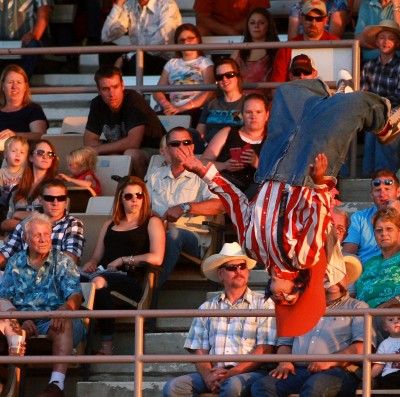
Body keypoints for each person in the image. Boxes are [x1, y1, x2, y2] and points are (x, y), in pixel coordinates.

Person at [181, 78, 400, 337]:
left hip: (270, 171)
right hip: (306, 176)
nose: (279, 296)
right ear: (298, 286)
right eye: (288, 298)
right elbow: (317, 215)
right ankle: (385, 122)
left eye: (278, 299)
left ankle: (330, 99)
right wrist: (319, 182)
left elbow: (235, 201)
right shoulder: (302, 257)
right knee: (353, 106)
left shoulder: (253, 250)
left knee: (287, 93)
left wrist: (204, 172)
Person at [163, 242, 276, 397]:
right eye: (231, 267)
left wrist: (232, 373)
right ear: (221, 274)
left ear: (248, 271)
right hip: (214, 372)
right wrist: (208, 375)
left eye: (242, 266)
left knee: (232, 387)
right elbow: (199, 351)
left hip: (249, 372)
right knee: (173, 388)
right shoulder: (206, 307)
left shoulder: (264, 303)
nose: (238, 271)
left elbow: (265, 350)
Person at [251, 258, 368, 397]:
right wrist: (285, 361)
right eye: (327, 273)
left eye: (338, 273)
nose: (332, 278)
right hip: (298, 370)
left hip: (339, 370)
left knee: (315, 388)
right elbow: (284, 344)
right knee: (262, 386)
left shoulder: (358, 307)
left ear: (347, 279)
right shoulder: (298, 305)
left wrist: (330, 361)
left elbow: (361, 347)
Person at [0, 213, 85, 397]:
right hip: (21, 320)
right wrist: (19, 319)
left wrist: (65, 309)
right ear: (26, 238)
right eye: (37, 235)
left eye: (47, 234)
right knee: (4, 321)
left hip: (53, 320)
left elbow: (76, 294)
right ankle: (6, 384)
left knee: (64, 321)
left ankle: (56, 385)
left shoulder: (62, 260)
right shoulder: (15, 261)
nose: (43, 239)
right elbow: (4, 297)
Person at [81, 176, 165, 355]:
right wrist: (91, 263)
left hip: (131, 279)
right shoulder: (109, 224)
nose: (134, 199)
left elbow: (157, 258)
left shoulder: (151, 222)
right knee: (76, 280)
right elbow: (96, 256)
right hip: (103, 273)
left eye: (139, 195)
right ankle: (77, 341)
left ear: (145, 198)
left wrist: (123, 260)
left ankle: (106, 344)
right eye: (128, 196)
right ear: (120, 199)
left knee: (98, 283)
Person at [145, 127, 224, 287]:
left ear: (193, 147)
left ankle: (148, 293)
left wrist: (185, 207)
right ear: (166, 149)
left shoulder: (205, 172)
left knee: (173, 234)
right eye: (175, 144)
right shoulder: (154, 175)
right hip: (157, 231)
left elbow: (220, 204)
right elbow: (142, 206)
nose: (182, 147)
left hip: (192, 237)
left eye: (186, 142)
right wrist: (151, 215)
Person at [84, 66, 166, 178]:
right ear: (99, 91)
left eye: (115, 87)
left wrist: (97, 149)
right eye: (105, 89)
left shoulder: (133, 100)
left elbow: (133, 142)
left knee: (131, 154)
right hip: (124, 150)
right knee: (112, 155)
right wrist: (100, 149)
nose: (111, 94)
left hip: (156, 151)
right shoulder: (97, 104)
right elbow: (88, 142)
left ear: (123, 86)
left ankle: (144, 191)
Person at [359, 20, 400, 174]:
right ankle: (368, 176)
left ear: (396, 43)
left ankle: (384, 174)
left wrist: (381, 106)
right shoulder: (369, 66)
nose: (386, 41)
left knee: (386, 130)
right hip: (372, 113)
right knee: (371, 131)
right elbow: (364, 93)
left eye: (390, 38)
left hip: (394, 112)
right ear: (376, 42)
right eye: (382, 37)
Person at [0, 179, 85, 269]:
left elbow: (71, 259)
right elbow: (6, 253)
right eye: (49, 198)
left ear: (66, 201)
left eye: (61, 198)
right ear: (40, 200)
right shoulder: (26, 223)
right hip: (23, 277)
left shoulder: (73, 223)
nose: (55, 203)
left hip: (56, 278)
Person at [202, 94, 268, 197]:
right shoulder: (227, 132)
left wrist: (256, 163)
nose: (253, 116)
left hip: (258, 195)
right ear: (242, 114)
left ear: (267, 115)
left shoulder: (273, 140)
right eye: (248, 112)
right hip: (224, 190)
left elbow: (280, 174)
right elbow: (203, 162)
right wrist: (224, 165)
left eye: (258, 112)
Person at [153, 23, 215, 128]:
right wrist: (165, 104)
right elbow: (158, 90)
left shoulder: (205, 62)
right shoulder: (171, 63)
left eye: (190, 38)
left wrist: (183, 108)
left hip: (195, 109)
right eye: (182, 40)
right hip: (172, 109)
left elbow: (209, 92)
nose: (186, 42)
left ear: (198, 40)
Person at [100, 0, 182, 75]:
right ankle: (109, 86)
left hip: (163, 61)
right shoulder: (130, 4)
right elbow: (106, 36)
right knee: (106, 50)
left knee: (137, 58)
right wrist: (118, 5)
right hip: (137, 57)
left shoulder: (167, 5)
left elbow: (162, 41)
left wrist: (127, 56)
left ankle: (135, 90)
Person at [270, 0, 340, 82]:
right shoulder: (286, 49)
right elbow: (276, 87)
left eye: (319, 19)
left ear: (326, 20)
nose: (313, 23)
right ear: (301, 18)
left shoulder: (338, 45)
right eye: (309, 18)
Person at [343, 170, 400, 263]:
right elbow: (347, 253)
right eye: (378, 190)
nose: (382, 194)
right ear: (371, 195)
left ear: (398, 192)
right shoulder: (359, 217)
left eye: (387, 189)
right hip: (365, 271)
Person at [1, 139, 58, 233]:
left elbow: (55, 222)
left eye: (50, 154)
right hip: (15, 242)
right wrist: (34, 218)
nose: (45, 156)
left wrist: (19, 215)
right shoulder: (16, 189)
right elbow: (5, 224)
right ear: (31, 157)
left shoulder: (56, 189)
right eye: (40, 152)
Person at [196, 59, 245, 150]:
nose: (224, 79)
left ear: (237, 76)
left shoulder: (248, 103)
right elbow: (199, 135)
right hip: (209, 151)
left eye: (229, 75)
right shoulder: (210, 104)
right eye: (219, 77)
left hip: (237, 152)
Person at [232, 7, 280, 96]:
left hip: (266, 103)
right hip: (240, 103)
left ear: (268, 26)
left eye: (261, 23)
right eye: (252, 23)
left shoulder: (277, 51)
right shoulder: (238, 52)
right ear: (248, 26)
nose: (256, 26)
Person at [0, 1, 52, 77]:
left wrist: (34, 34)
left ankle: (19, 82)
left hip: (26, 44)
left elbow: (44, 10)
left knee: (33, 45)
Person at [0, 64, 48, 143]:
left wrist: (15, 135)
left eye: (19, 82)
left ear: (25, 86)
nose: (14, 86)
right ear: (3, 86)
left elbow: (40, 136)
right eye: (10, 82)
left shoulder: (33, 109)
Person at [194, 0, 270, 36]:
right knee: (200, 31)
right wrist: (227, 30)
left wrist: (234, 29)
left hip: (246, 30)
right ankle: (199, 65)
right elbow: (201, 18)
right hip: (215, 30)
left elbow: (260, 14)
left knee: (260, 26)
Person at [0, 136, 28, 218]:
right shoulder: (1, 173)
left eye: (22, 152)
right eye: (13, 151)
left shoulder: (27, 173)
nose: (18, 154)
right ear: (5, 154)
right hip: (4, 208)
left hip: (21, 207)